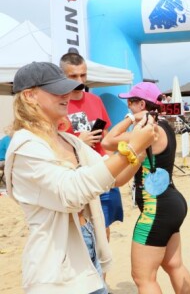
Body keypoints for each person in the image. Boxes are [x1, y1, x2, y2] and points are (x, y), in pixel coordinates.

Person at [5, 61, 156, 293]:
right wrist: (131, 148)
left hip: (89, 250)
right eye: (56, 89)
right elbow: (72, 192)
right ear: (29, 96)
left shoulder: (69, 140)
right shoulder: (26, 146)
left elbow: (113, 178)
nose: (67, 94)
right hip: (56, 266)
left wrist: (141, 150)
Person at [101, 82, 190, 294]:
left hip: (156, 210)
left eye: (131, 103)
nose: (128, 107)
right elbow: (123, 178)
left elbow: (108, 141)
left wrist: (132, 118)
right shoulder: (164, 128)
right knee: (173, 265)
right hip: (172, 202)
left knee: (143, 278)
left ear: (142, 104)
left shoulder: (151, 131)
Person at [60, 50, 124, 246]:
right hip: (76, 175)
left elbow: (105, 135)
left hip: (101, 170)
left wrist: (113, 165)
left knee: (103, 229)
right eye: (73, 76)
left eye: (83, 75)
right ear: (62, 76)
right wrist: (80, 142)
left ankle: (102, 276)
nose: (80, 80)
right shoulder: (58, 104)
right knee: (80, 231)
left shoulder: (95, 100)